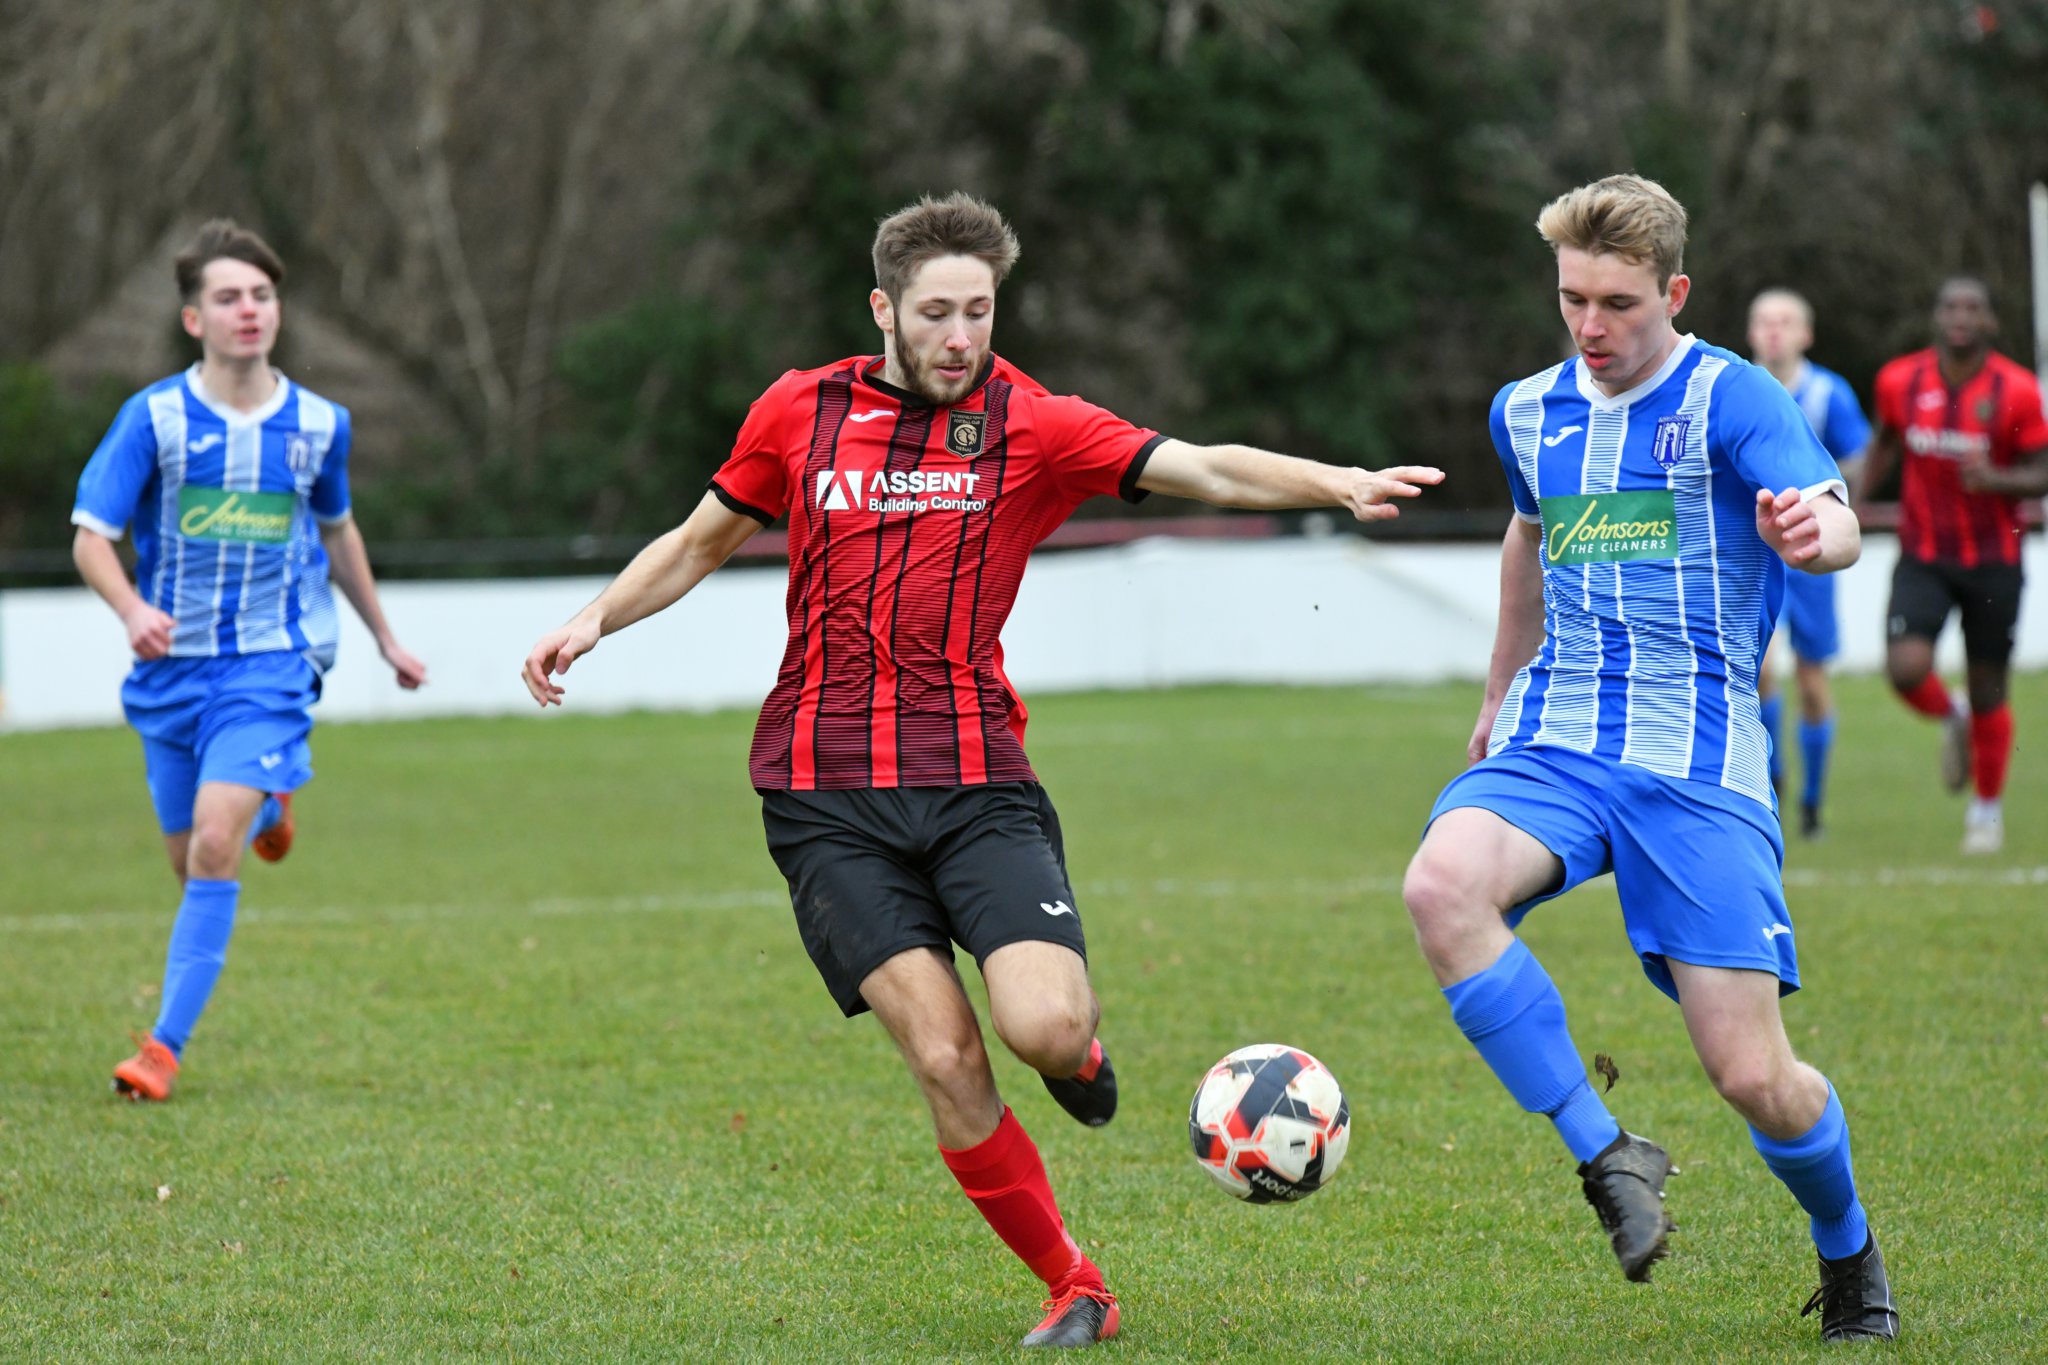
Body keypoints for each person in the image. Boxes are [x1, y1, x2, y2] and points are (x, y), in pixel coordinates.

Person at [521, 192, 1442, 1351]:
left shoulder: (1032, 424)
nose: (961, 336)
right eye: (937, 313)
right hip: (822, 796)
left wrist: (1334, 483)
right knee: (945, 1052)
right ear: (884, 311)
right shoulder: (798, 412)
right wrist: (594, 618)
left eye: (980, 312)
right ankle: (1076, 1285)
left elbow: (1197, 465)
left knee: (1040, 1031)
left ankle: (1080, 1050)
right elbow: (700, 540)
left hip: (975, 782)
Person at [1400, 175, 1897, 1343]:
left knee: (1752, 1077)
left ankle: (1847, 1253)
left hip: (1696, 756)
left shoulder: (1732, 396)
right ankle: (1606, 1152)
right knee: (1440, 886)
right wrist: (1493, 691)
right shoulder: (1524, 411)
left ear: (1671, 292)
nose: (1588, 326)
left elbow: (1835, 520)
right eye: (1571, 298)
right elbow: (1526, 540)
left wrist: (1808, 533)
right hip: (1557, 734)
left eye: (1616, 302)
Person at [71, 219, 427, 1102]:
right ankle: (272, 794)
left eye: (262, 295)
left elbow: (338, 530)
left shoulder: (318, 424)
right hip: (169, 673)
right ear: (194, 318)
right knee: (190, 853)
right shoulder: (152, 419)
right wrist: (130, 606)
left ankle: (162, 1046)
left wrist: (384, 637)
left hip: (270, 662)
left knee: (217, 844)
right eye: (228, 297)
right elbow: (90, 537)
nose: (249, 310)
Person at [1860, 277, 2048, 854]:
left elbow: (2042, 470)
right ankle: (1954, 713)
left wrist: (1998, 480)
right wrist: (1852, 498)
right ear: (1936, 318)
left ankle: (1986, 811)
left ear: (1989, 321)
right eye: (1950, 307)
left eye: (1973, 307)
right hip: (1923, 553)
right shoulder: (1900, 380)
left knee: (1992, 686)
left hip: (1994, 559)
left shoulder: (2015, 390)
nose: (1960, 316)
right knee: (1905, 668)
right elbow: (1885, 444)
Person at [1746, 289, 1872, 839]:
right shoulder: (1733, 389)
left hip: (1810, 556)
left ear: (1806, 334)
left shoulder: (1828, 394)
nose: (1775, 332)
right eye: (1765, 322)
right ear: (1751, 333)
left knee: (1813, 682)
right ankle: (1772, 779)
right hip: (1753, 551)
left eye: (1786, 322)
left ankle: (1813, 803)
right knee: (1761, 671)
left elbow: (1858, 457)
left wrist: (1841, 513)